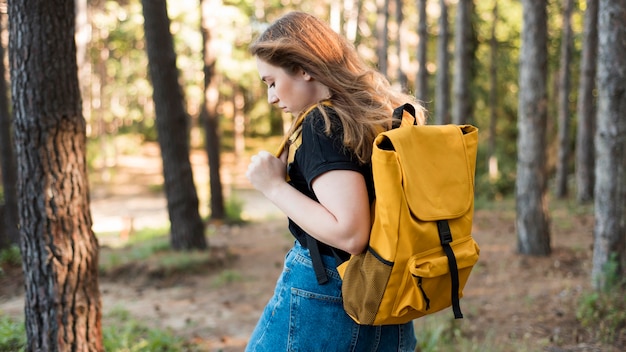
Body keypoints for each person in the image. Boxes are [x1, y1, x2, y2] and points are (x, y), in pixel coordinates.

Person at [245, 11, 426, 352]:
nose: (270, 97)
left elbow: (350, 233)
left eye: (271, 82)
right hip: (386, 287)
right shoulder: (379, 116)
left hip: (328, 292)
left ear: (302, 68)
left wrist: (272, 186)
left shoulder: (321, 123)